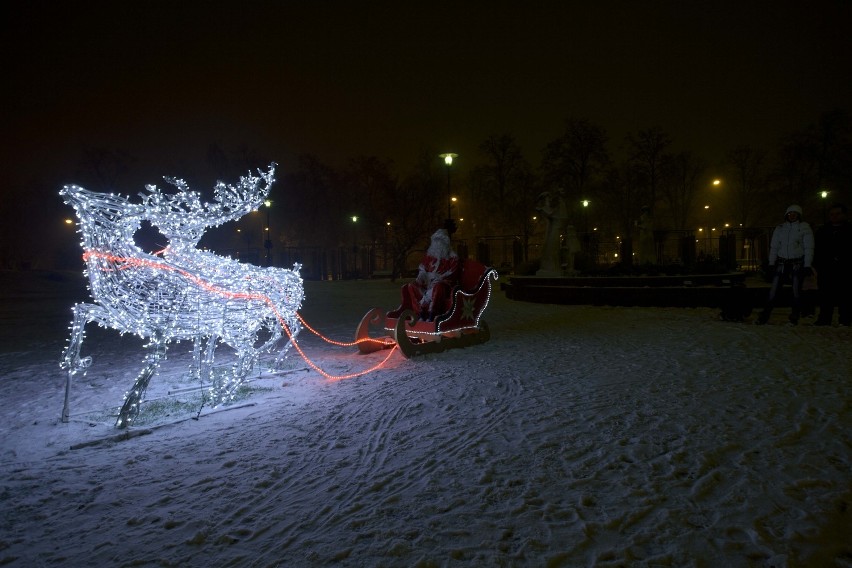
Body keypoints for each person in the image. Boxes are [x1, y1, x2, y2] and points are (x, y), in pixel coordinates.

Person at [755, 204, 814, 325]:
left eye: (795, 214)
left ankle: (794, 316)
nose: (792, 216)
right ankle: (765, 315)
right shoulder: (780, 228)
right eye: (790, 213)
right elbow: (774, 247)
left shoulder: (804, 227)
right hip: (782, 263)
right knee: (774, 291)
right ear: (786, 215)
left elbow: (809, 247)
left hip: (796, 262)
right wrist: (771, 263)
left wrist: (807, 264)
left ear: (799, 215)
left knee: (796, 291)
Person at [389, 227, 460, 322]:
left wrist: (437, 278)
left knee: (438, 287)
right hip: (427, 285)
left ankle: (432, 314)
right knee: (411, 286)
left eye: (440, 241)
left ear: (445, 243)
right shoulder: (430, 256)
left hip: (442, 287)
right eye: (436, 241)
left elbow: (451, 274)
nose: (437, 244)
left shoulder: (452, 258)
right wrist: (421, 277)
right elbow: (423, 269)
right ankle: (420, 313)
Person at [813, 203, 852, 326]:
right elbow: (817, 249)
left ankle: (845, 319)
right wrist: (818, 264)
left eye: (837, 214)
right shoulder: (823, 231)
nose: (834, 216)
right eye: (832, 214)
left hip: (845, 267)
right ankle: (825, 318)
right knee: (825, 294)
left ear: (844, 215)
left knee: (845, 294)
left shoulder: (849, 230)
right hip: (826, 268)